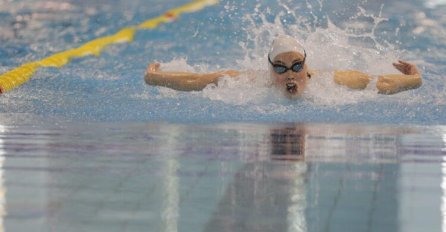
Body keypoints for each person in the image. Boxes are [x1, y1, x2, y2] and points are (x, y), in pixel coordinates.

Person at [144, 35, 422, 99]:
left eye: (296, 66)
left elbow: (380, 83)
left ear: (306, 64)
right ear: (268, 69)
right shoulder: (247, 83)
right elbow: (196, 81)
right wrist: (154, 78)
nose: (290, 74)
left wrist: (415, 79)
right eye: (280, 68)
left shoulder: (334, 82)